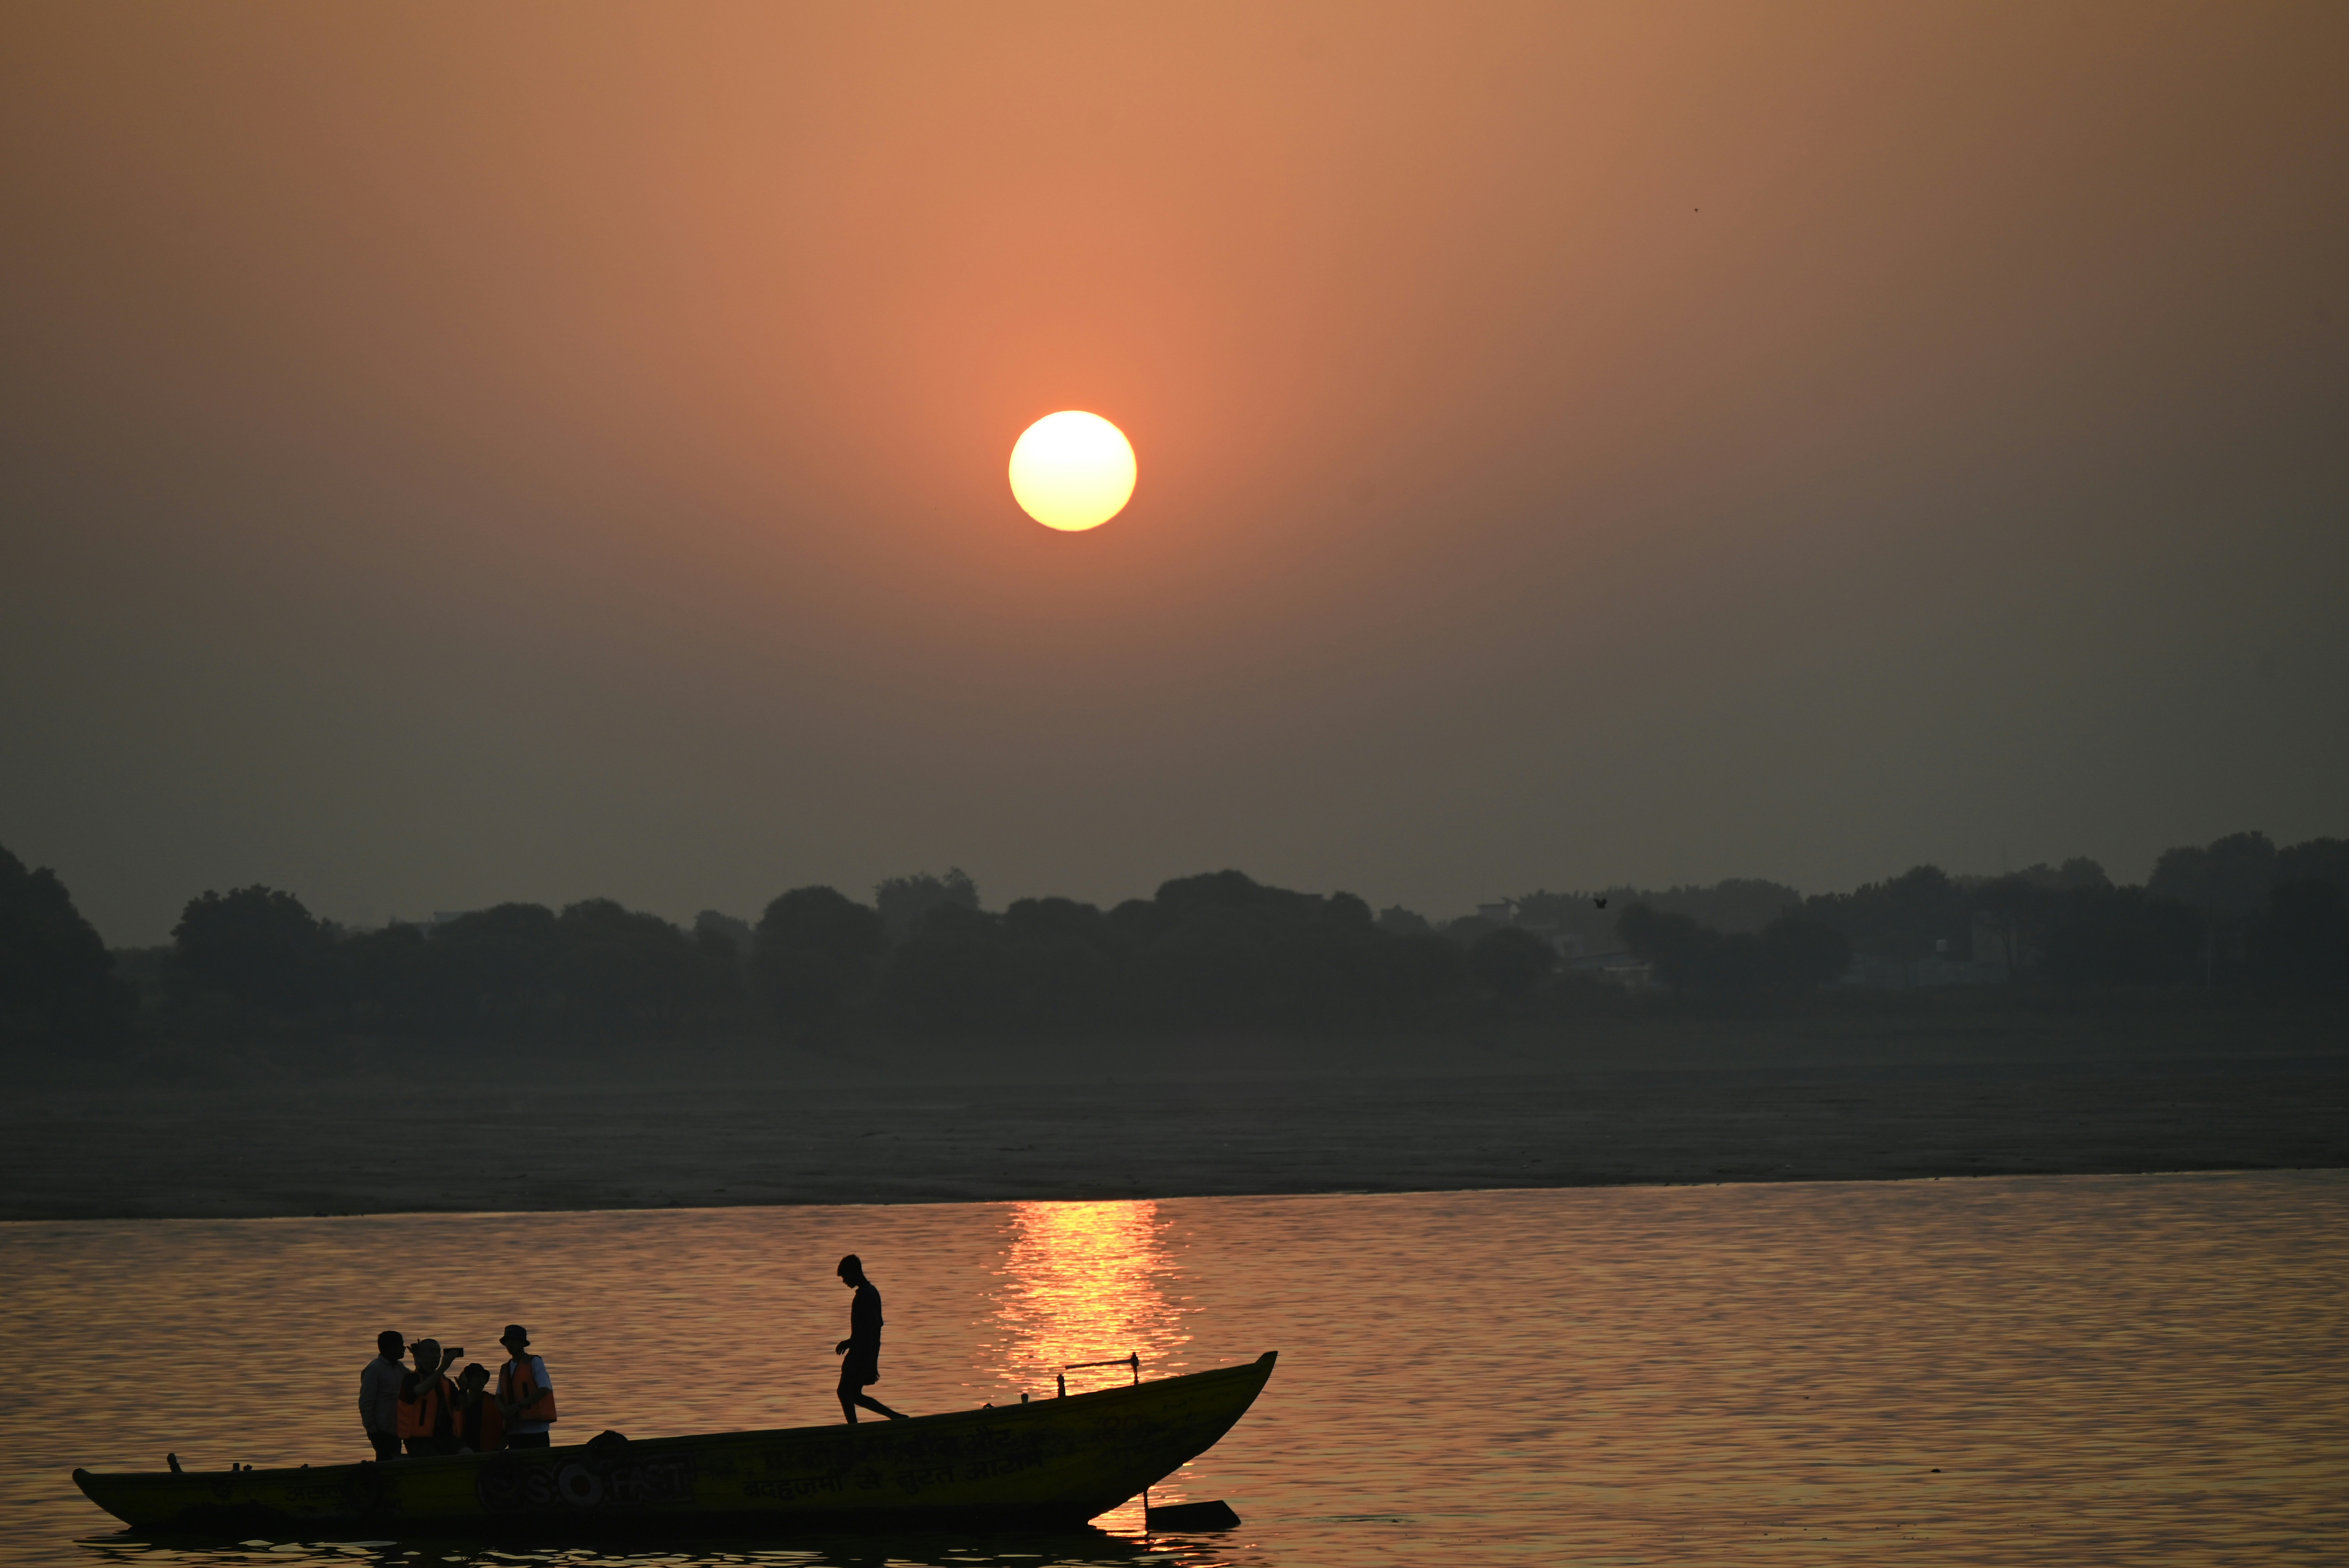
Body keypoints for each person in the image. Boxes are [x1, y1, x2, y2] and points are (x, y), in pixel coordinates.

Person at [834, 1254, 906, 1423]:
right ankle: (895, 1417)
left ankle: (855, 1428)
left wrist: (853, 1345)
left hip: (860, 1354)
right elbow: (873, 1330)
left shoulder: (864, 1296)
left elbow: (873, 1330)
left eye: (845, 1276)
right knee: (854, 1395)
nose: (844, 1281)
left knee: (845, 1392)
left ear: (855, 1272)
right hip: (863, 1352)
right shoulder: (871, 1292)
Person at [494, 1324, 558, 1448]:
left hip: (536, 1431)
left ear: (522, 1343)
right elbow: (498, 1396)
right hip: (514, 1431)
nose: (510, 1344)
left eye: (514, 1340)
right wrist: (505, 1411)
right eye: (508, 1341)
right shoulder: (505, 1369)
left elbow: (544, 1389)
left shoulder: (534, 1362)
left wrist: (518, 1407)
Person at [398, 1337, 462, 1456]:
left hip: (446, 1438)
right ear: (421, 1356)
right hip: (420, 1441)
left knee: (467, 1453)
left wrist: (465, 1389)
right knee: (436, 1460)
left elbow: (464, 1403)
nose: (437, 1356)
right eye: (432, 1352)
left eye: (438, 1352)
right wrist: (443, 1367)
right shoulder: (411, 1379)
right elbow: (422, 1390)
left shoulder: (446, 1381)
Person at [359, 1330, 408, 1461]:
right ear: (390, 1348)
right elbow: (366, 1403)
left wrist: (419, 1358)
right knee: (385, 1462)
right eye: (401, 1345)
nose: (404, 1348)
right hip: (382, 1429)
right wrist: (373, 1430)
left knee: (393, 1460)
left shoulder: (399, 1367)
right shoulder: (374, 1369)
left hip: (396, 1428)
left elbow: (416, 1378)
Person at [451, 1362, 503, 1454]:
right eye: (477, 1377)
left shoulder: (494, 1401)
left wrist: (499, 1448)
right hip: (463, 1451)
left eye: (483, 1378)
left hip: (490, 1452)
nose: (481, 1381)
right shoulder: (457, 1403)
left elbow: (509, 1424)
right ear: (468, 1380)